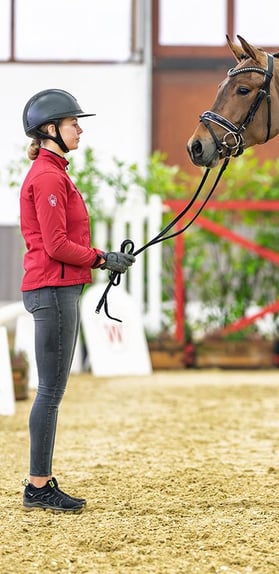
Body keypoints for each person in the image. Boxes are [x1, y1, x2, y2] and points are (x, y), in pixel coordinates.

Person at [19, 89, 136, 513]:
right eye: (73, 124)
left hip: (54, 287)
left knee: (51, 390)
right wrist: (103, 258)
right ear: (51, 130)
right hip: (52, 289)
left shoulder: (54, 172)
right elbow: (55, 244)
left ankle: (40, 481)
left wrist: (101, 257)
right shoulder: (49, 177)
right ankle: (38, 486)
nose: (79, 130)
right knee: (50, 391)